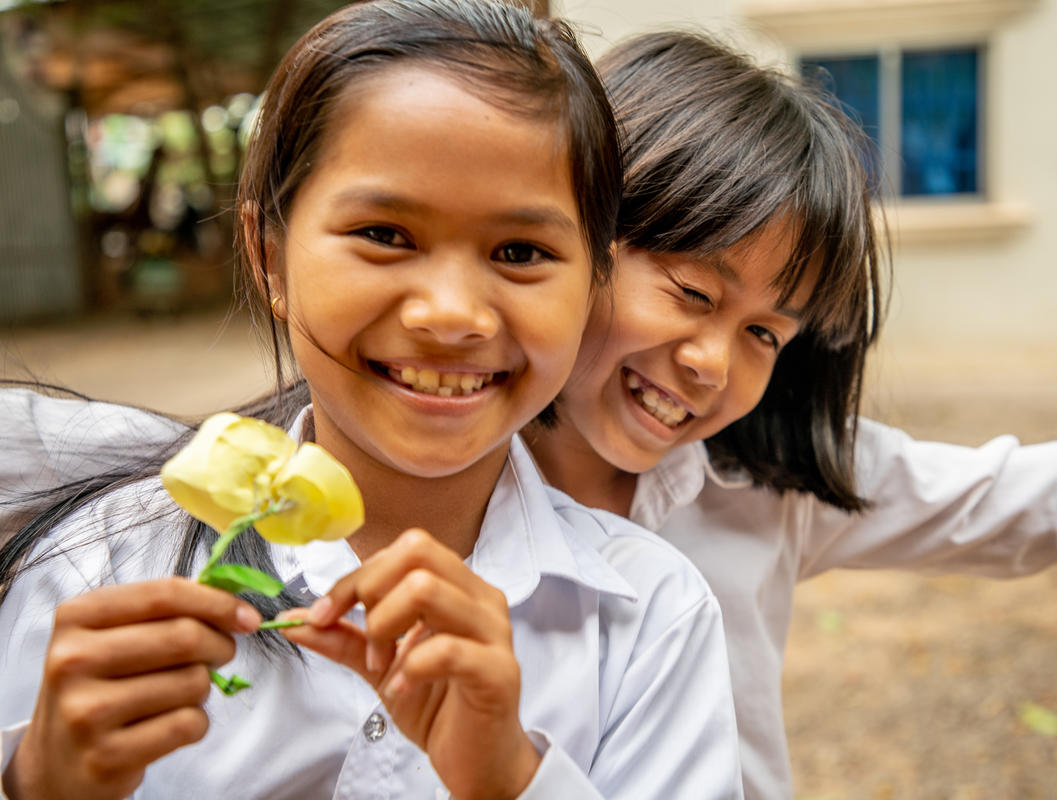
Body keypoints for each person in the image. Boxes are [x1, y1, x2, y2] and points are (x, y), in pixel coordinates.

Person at [0, 5, 743, 800]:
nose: (453, 312)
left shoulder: (649, 618)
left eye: (520, 253)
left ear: (594, 285)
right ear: (270, 257)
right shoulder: (98, 569)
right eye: (386, 234)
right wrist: (42, 781)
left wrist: (511, 780)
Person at [519, 31, 1057, 800]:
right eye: (694, 293)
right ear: (572, 234)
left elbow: (1044, 496)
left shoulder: (767, 479)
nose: (712, 363)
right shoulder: (445, 479)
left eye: (764, 333)